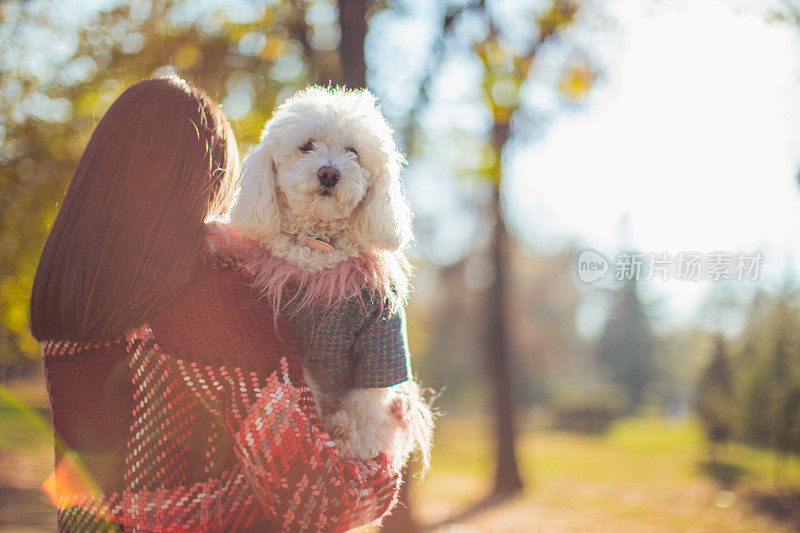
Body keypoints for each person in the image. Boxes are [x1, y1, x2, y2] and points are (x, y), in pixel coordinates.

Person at [30, 76, 401, 532]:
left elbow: (75, 490)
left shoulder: (70, 289)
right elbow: (318, 503)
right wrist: (389, 455)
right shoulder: (219, 303)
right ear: (205, 179)